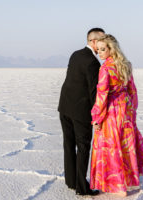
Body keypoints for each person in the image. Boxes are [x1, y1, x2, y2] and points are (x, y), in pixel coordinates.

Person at [90, 34, 143, 197]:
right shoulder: (125, 65)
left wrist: (96, 118)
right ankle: (128, 181)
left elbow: (102, 94)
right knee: (125, 145)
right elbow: (132, 90)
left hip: (112, 111)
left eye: (102, 49)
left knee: (112, 147)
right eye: (98, 49)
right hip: (125, 109)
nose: (99, 52)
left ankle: (118, 186)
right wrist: (132, 111)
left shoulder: (105, 68)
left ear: (111, 49)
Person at [58, 28, 105, 196]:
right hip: (80, 111)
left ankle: (71, 181)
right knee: (83, 147)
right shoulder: (92, 62)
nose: (104, 43)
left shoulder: (75, 54)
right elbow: (94, 92)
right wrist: (96, 117)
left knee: (69, 144)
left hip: (64, 107)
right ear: (93, 42)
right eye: (102, 40)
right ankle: (82, 188)